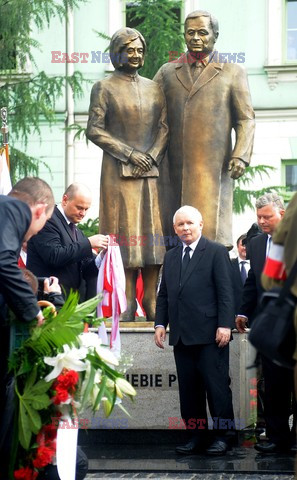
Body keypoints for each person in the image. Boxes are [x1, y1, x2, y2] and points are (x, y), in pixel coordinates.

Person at [86, 27, 168, 321]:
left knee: (151, 238)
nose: (135, 55)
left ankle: (152, 300)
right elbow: (94, 129)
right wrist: (130, 153)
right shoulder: (104, 87)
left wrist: (152, 156)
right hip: (117, 174)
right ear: (116, 53)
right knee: (125, 234)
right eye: (129, 50)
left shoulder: (154, 87)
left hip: (149, 173)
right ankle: (126, 304)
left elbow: (164, 128)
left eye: (139, 50)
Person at [154, 9, 255, 248]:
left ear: (215, 35)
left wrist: (240, 154)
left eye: (202, 32)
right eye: (190, 33)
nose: (196, 38)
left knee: (211, 238)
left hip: (213, 167)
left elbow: (245, 118)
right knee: (174, 239)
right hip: (173, 167)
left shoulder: (232, 71)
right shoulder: (167, 72)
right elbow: (151, 114)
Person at [154, 205, 235, 456]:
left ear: (201, 224)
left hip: (211, 335)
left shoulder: (216, 252)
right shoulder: (171, 256)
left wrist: (225, 324)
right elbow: (164, 295)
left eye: (190, 223)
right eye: (180, 225)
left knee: (217, 388)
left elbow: (225, 292)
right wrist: (160, 324)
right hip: (181, 336)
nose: (185, 228)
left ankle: (224, 436)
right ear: (174, 229)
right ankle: (196, 436)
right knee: (189, 392)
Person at [0, 176, 55, 476]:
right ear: (38, 209)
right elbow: (3, 261)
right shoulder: (11, 208)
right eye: (42, 225)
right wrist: (32, 311)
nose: (31, 237)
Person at [235, 193, 296, 453]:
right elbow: (253, 282)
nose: (262, 221)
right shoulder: (257, 244)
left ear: (281, 214)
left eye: (267, 216)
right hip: (271, 327)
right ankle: (277, 436)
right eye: (259, 217)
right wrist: (243, 312)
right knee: (274, 383)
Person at [27, 183, 109, 302]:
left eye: (86, 209)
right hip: (47, 300)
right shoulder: (48, 219)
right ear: (65, 200)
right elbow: (54, 256)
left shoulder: (76, 230)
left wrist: (101, 258)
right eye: (79, 208)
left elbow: (84, 270)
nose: (83, 213)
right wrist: (88, 243)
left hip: (69, 303)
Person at [231, 234, 249, 315]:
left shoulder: (258, 265)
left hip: (253, 313)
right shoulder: (228, 265)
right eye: (243, 245)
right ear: (237, 246)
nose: (245, 248)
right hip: (234, 313)